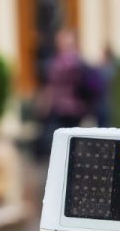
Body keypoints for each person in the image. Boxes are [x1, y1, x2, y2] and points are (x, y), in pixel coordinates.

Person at [35, 30, 89, 159]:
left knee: (61, 141)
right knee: (72, 140)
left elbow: (51, 86)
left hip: (62, 108)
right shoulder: (79, 61)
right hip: (76, 108)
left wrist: (44, 105)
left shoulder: (57, 62)